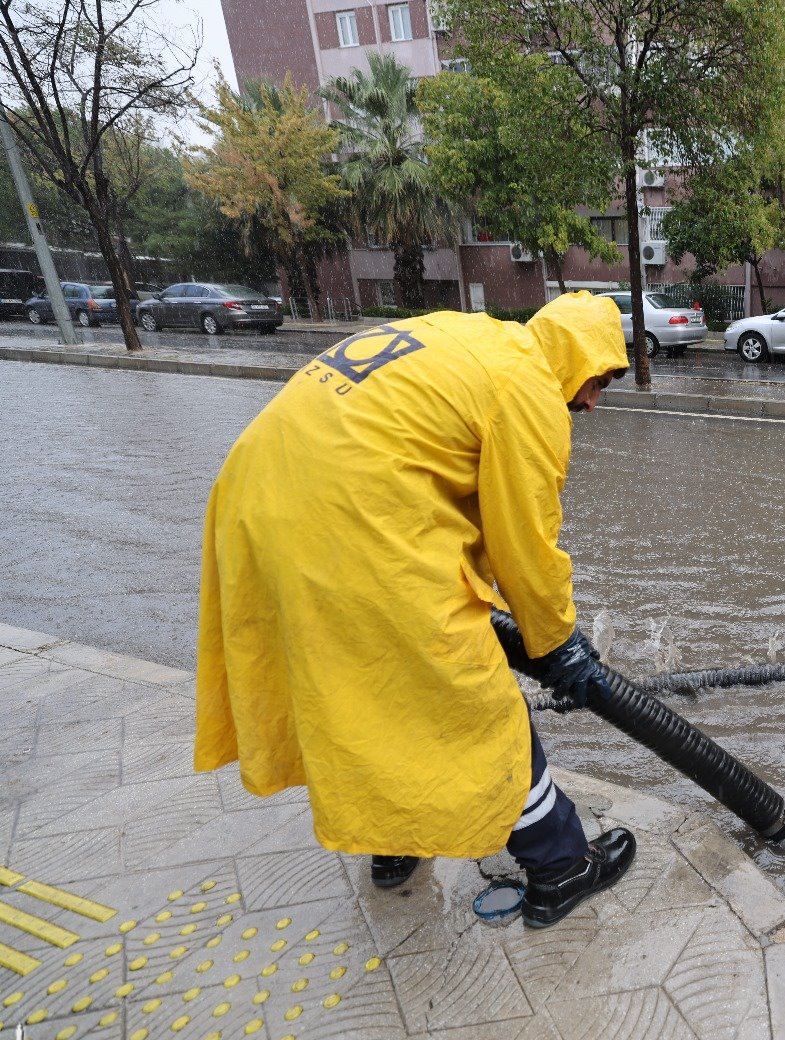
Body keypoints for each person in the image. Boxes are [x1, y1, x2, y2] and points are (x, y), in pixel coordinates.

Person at [195, 291, 634, 928]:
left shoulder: (472, 335)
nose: (592, 401)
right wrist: (558, 642)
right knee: (476, 702)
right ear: (578, 360)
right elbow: (524, 544)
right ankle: (561, 864)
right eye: (598, 382)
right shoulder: (530, 387)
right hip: (348, 522)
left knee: (363, 687)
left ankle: (395, 838)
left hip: (256, 504)